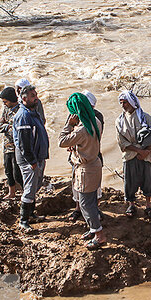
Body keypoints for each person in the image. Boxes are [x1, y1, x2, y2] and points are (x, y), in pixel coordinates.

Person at [58, 93, 106, 249]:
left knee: (85, 204)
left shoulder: (81, 129)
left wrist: (69, 124)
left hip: (85, 170)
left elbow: (61, 141)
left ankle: (99, 235)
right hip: (95, 164)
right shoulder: (95, 121)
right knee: (91, 200)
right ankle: (93, 229)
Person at [116, 90, 151, 218]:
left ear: (131, 102)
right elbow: (122, 143)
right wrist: (139, 151)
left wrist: (147, 150)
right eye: (121, 103)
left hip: (145, 155)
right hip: (130, 155)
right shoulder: (119, 121)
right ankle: (131, 205)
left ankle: (148, 206)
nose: (123, 105)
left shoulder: (145, 117)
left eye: (125, 102)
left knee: (147, 181)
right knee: (129, 182)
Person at [13, 83, 49, 231]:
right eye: (33, 96)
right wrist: (32, 161)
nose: (36, 98)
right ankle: (23, 220)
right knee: (29, 189)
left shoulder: (32, 112)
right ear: (24, 98)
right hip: (29, 159)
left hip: (38, 157)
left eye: (36, 95)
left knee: (34, 187)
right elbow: (23, 143)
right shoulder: (23, 116)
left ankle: (32, 214)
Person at [66, 90, 104, 221]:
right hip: (82, 158)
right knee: (79, 189)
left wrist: (73, 136)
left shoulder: (96, 118)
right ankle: (81, 211)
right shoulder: (76, 116)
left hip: (85, 160)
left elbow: (63, 140)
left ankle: (94, 222)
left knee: (87, 195)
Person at [0, 87, 23, 199]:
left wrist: (7, 127)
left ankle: (25, 192)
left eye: (5, 101)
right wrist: (7, 126)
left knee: (18, 172)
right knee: (8, 170)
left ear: (12, 99)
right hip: (7, 146)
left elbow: (17, 130)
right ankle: (11, 193)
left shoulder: (21, 110)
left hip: (17, 147)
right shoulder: (6, 110)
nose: (4, 104)